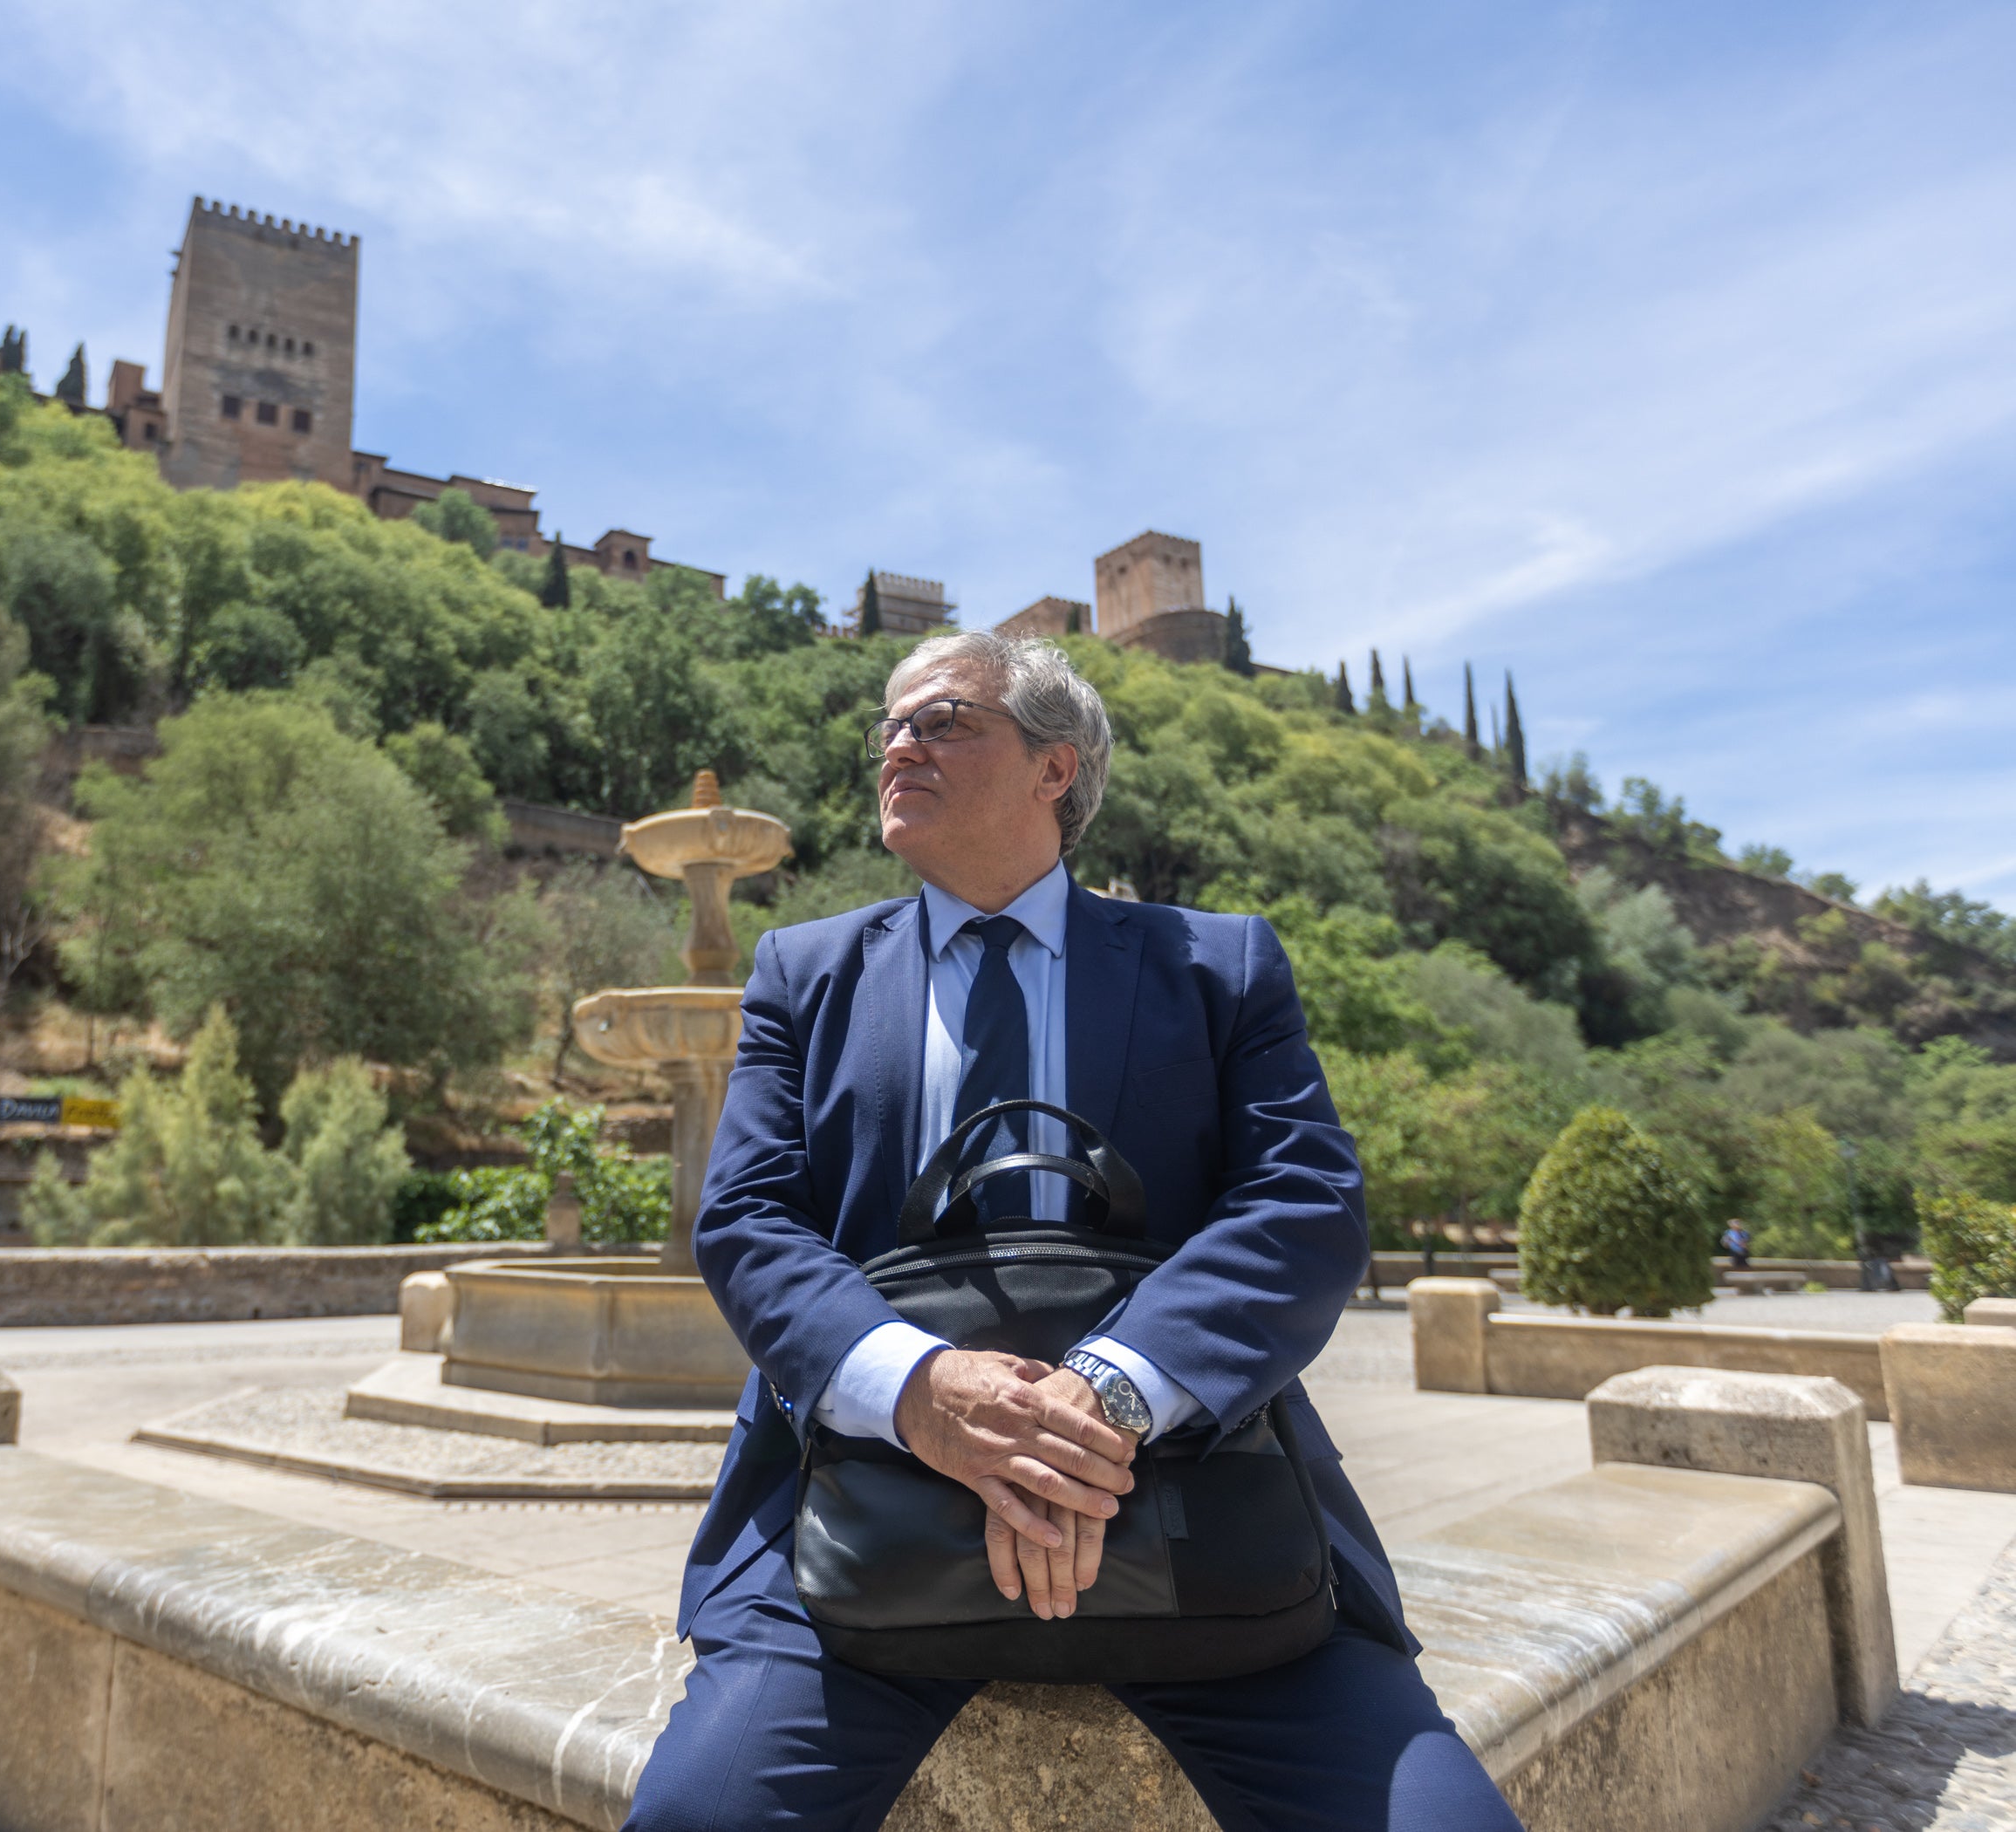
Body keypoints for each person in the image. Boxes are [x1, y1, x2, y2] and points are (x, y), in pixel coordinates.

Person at [624, 632, 1522, 1831]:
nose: (899, 743)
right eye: (889, 724)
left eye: (941, 720)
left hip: (1203, 1514)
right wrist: (921, 1391)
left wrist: (1104, 1398)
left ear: (1057, 767)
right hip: (847, 1524)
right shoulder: (802, 970)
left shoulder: (1218, 964)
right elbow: (745, 1219)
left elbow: (1304, 1203)